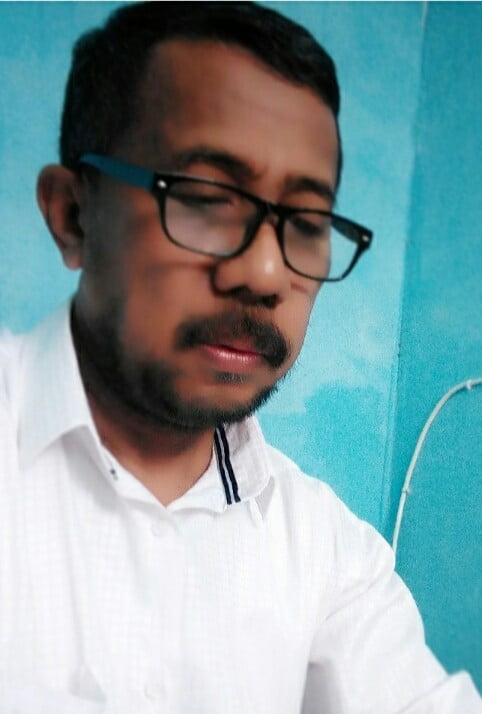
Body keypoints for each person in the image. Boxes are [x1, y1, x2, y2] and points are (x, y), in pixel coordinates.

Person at [0, 2, 480, 712]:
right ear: (74, 215)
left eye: (307, 223)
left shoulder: (331, 560)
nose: (264, 274)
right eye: (206, 198)